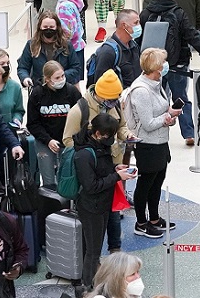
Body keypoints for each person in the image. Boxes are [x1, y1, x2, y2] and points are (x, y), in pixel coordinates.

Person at [62, 69, 132, 255]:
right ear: (100, 95)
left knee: (114, 212)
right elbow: (68, 140)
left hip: (113, 165)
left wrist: (127, 135)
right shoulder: (79, 111)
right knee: (94, 215)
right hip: (91, 169)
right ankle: (92, 257)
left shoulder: (115, 105)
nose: (114, 102)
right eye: (111, 99)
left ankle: (115, 249)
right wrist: (92, 149)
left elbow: (122, 126)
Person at [139, 0, 200, 145]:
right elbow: (193, 37)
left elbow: (139, 42)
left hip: (153, 67)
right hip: (177, 65)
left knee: (154, 99)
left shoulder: (145, 14)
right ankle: (188, 133)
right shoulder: (179, 14)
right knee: (181, 98)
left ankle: (154, 128)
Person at [123, 49, 181, 238]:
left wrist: (168, 117)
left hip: (161, 142)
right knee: (146, 183)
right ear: (155, 67)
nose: (165, 65)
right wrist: (168, 116)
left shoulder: (157, 83)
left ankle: (154, 218)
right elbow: (147, 124)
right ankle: (141, 222)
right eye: (162, 62)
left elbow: (160, 113)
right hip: (148, 144)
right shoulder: (141, 90)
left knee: (157, 182)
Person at [73, 113, 136, 287]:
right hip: (91, 207)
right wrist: (117, 176)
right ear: (98, 133)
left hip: (103, 204)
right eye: (109, 135)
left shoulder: (100, 147)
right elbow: (91, 186)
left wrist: (116, 168)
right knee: (92, 252)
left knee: (94, 249)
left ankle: (92, 281)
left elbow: (101, 170)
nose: (111, 140)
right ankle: (87, 286)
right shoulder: (84, 155)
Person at [25, 61, 82, 186]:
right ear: (47, 79)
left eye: (62, 76)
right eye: (57, 77)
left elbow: (81, 118)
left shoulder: (72, 92)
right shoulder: (37, 94)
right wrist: (48, 140)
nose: (61, 79)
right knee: (48, 181)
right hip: (44, 141)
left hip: (67, 141)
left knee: (67, 179)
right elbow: (32, 123)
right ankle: (50, 203)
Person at [17, 11, 83, 87]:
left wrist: (59, 77)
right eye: (45, 27)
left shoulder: (66, 44)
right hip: (40, 88)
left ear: (57, 27)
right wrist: (25, 78)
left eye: (51, 27)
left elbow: (76, 67)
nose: (48, 30)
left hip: (63, 87)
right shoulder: (31, 45)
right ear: (40, 27)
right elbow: (22, 67)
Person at [92, 9, 142, 87]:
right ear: (124, 25)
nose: (139, 26)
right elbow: (100, 85)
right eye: (136, 23)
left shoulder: (134, 46)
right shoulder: (108, 52)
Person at [55, 0, 87, 80]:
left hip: (69, 51)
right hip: (78, 47)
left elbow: (67, 32)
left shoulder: (64, 6)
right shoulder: (74, 0)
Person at [0, 49, 24, 128]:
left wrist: (17, 119)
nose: (6, 66)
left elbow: (19, 111)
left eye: (8, 63)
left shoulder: (15, 87)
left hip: (9, 132)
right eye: (2, 63)